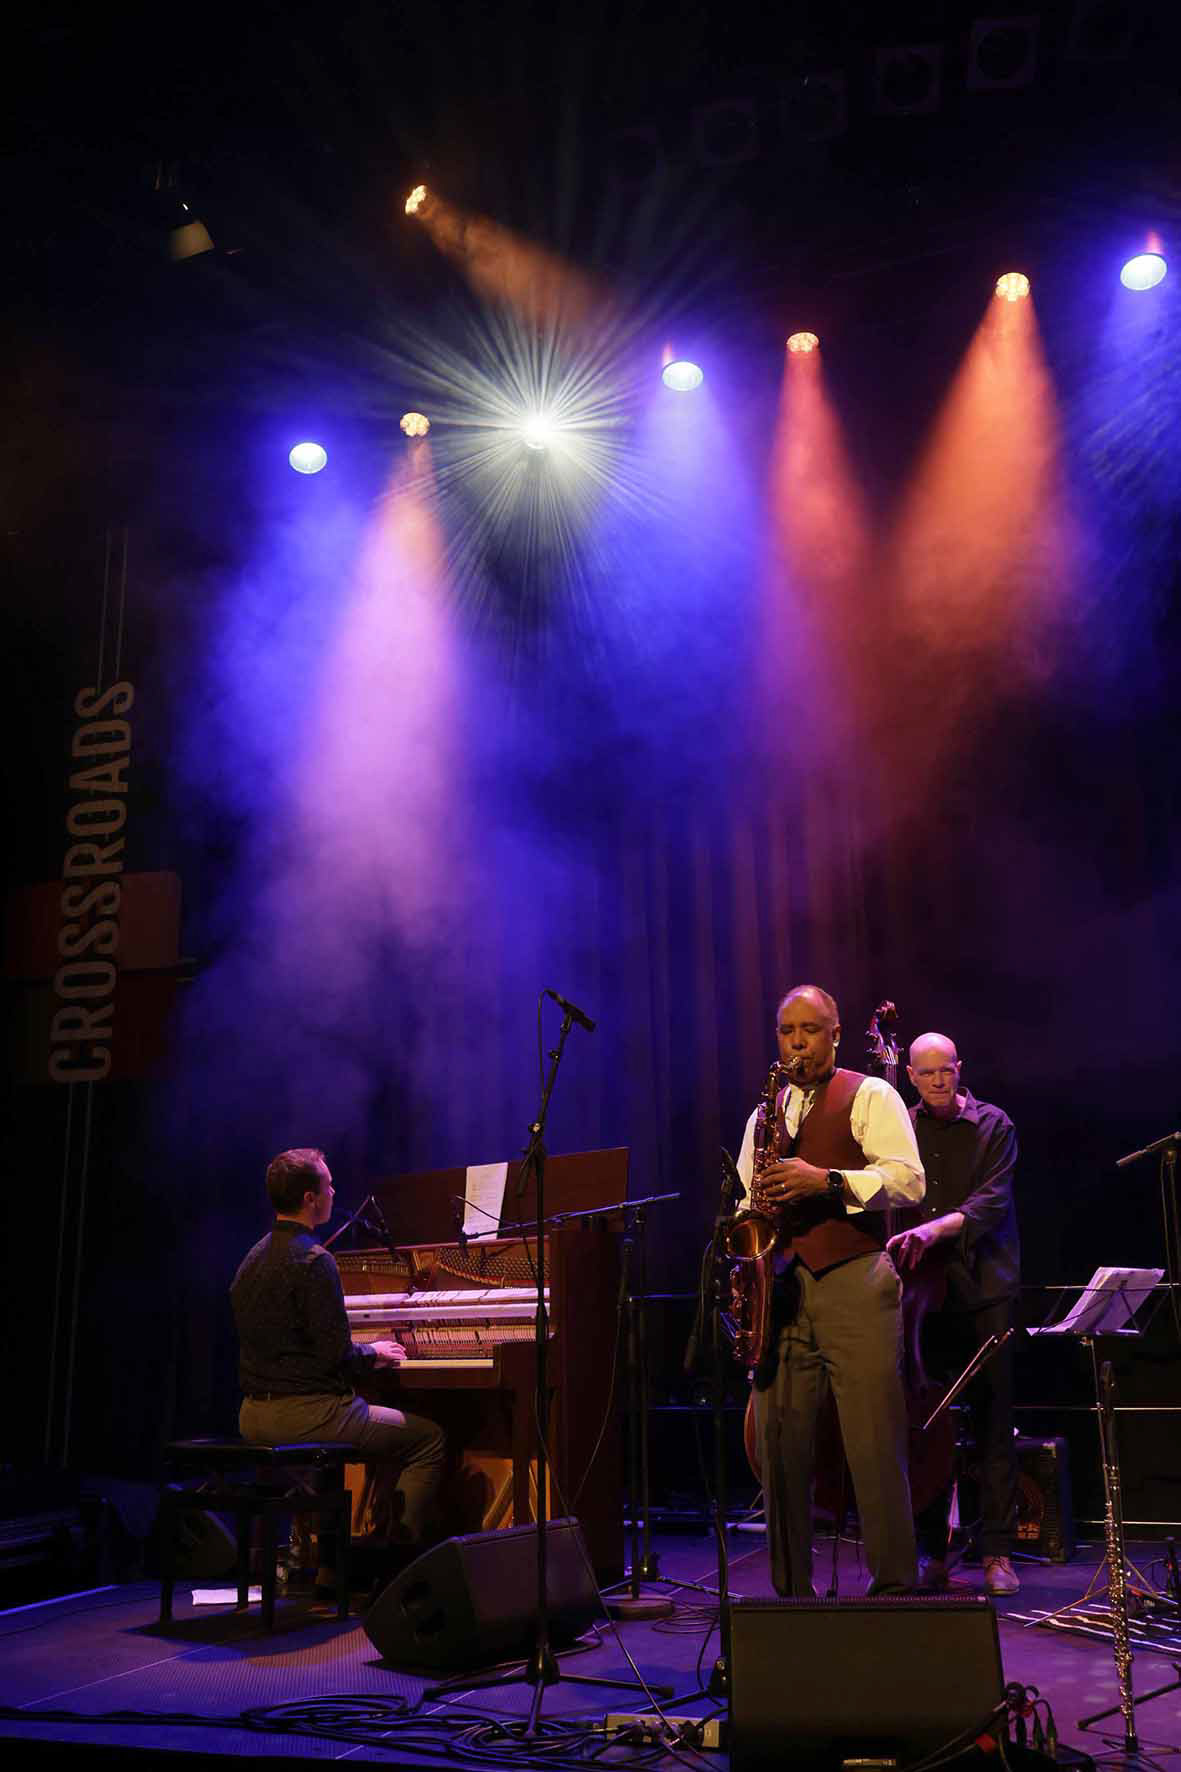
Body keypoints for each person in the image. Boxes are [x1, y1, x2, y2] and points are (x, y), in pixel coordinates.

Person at [737, 985, 926, 1597]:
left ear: (836, 1034)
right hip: (781, 1288)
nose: (797, 1042)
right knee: (779, 1447)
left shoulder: (870, 1094)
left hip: (855, 1280)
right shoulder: (764, 1115)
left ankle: (894, 1591)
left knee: (873, 1445)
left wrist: (827, 1181)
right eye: (787, 1031)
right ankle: (791, 1595)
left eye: (810, 1030)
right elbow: (746, 1200)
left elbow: (909, 1181)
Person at [230, 1147, 445, 1599]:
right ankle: (399, 1573)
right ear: (310, 1198)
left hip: (252, 1415)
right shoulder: (315, 1260)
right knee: (429, 1440)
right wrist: (375, 1352)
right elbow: (337, 1357)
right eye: (328, 1185)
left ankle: (330, 1569)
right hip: (306, 1416)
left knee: (331, 1453)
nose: (334, 1191)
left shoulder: (250, 1258)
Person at [888, 1033, 1021, 1596]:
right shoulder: (902, 1126)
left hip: (986, 1290)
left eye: (946, 1070)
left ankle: (996, 1553)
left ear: (959, 1069)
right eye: (927, 1073)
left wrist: (935, 1229)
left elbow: (992, 1202)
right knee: (928, 1427)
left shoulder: (995, 1125)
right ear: (912, 1077)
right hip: (925, 1297)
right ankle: (931, 1553)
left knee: (993, 1422)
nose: (939, 1080)